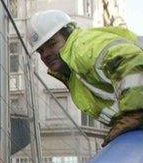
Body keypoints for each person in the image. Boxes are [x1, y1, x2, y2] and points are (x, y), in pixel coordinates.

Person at [28, 10, 143, 146]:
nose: (45, 54)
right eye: (40, 51)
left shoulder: (82, 47)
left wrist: (134, 113)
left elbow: (129, 60)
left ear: (68, 35)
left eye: (52, 44)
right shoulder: (74, 72)